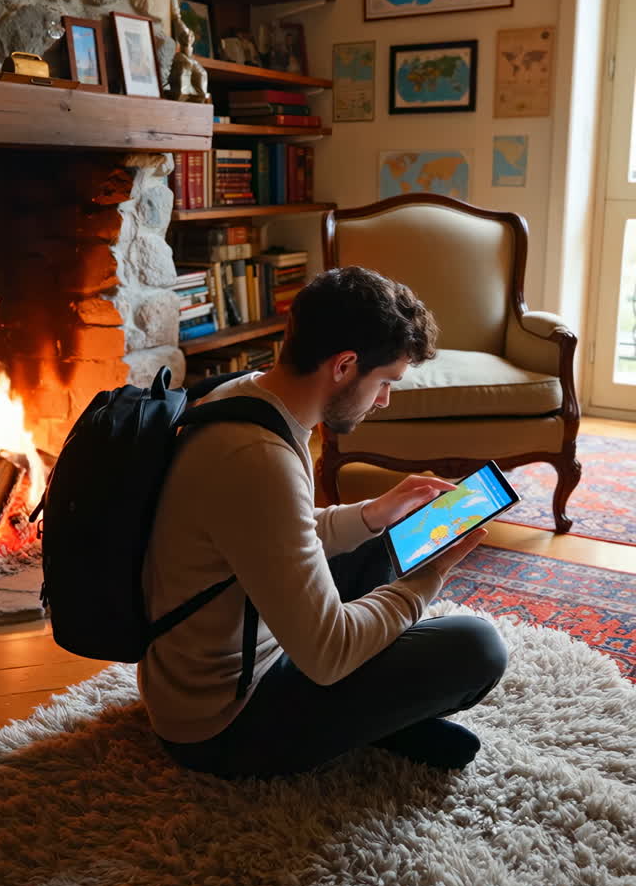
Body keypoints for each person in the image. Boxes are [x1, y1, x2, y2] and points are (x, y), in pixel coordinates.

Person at [139, 266, 508, 779]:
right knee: (477, 647)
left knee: (380, 541)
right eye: (385, 382)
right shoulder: (257, 458)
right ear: (345, 365)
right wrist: (428, 578)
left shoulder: (241, 397)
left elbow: (275, 532)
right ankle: (380, 720)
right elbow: (329, 653)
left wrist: (373, 513)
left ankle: (376, 719)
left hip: (213, 666)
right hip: (222, 723)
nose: (384, 399)